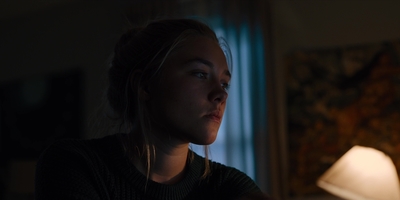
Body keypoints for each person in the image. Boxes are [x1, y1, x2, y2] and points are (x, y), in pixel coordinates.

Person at [35, 18, 269, 200]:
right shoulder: (75, 165)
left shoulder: (229, 186)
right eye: (200, 74)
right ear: (145, 85)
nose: (221, 94)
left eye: (224, 83)